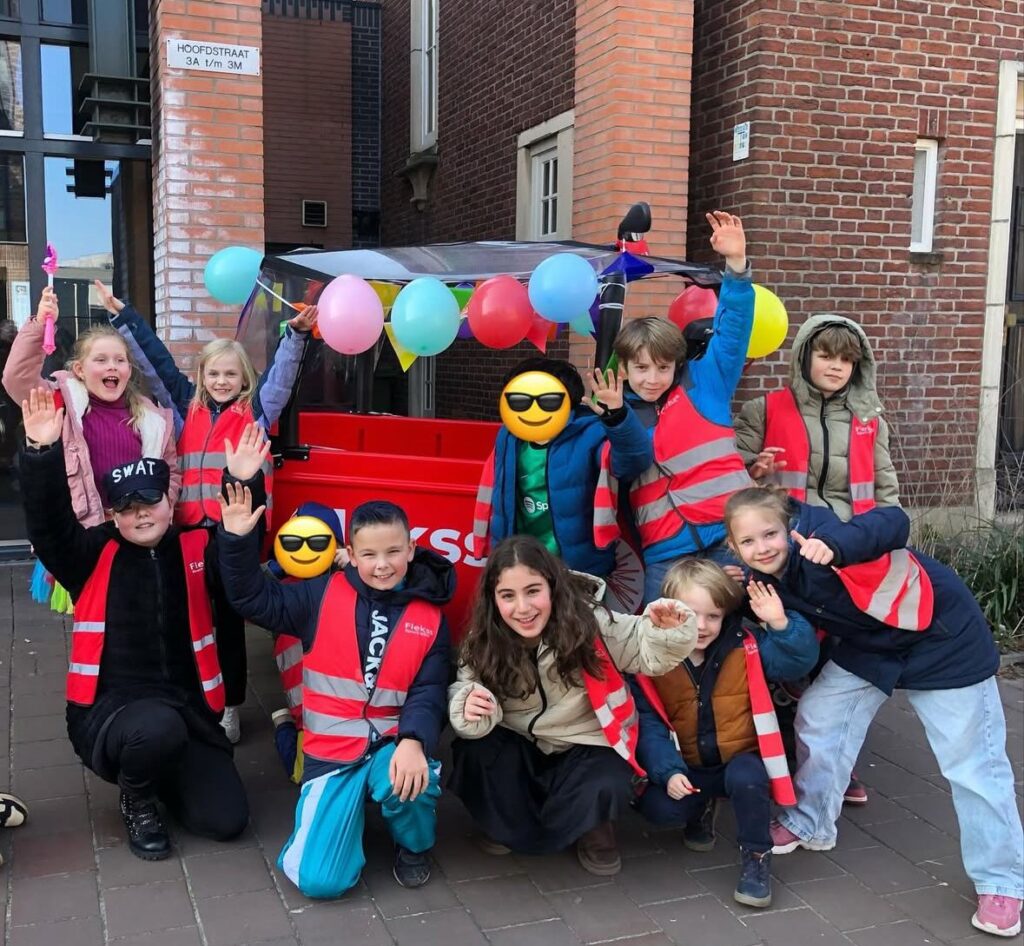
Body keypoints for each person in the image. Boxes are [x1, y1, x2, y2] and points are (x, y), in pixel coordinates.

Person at [723, 487, 1023, 938]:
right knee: (820, 716)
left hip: (942, 639)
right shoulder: (761, 576)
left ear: (789, 526)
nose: (762, 546)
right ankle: (811, 821)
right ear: (735, 546)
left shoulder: (821, 533)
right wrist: (736, 587)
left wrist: (838, 546)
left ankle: (1002, 881)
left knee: (973, 767)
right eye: (749, 542)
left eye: (770, 534)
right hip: (874, 645)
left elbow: (894, 522)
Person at [17, 389, 265, 861]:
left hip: (190, 711)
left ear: (169, 502)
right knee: (154, 730)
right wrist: (43, 453)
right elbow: (48, 526)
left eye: (150, 501)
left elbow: (239, 568)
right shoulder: (91, 553)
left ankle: (164, 773)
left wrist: (244, 482)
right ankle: (137, 796)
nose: (141, 513)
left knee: (226, 820)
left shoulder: (195, 547)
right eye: (128, 507)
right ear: (114, 513)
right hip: (113, 710)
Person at [95, 281, 314, 744]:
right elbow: (153, 360)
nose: (221, 382)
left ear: (243, 380)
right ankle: (193, 694)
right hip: (190, 533)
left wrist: (295, 336)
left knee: (229, 621)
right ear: (201, 376)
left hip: (234, 537)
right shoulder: (182, 405)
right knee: (190, 617)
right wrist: (122, 315)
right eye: (213, 374)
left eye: (230, 375)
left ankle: (230, 704)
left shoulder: (255, 412)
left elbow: (281, 379)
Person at [217, 493, 452, 898]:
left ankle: (413, 846)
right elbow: (252, 599)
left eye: (394, 551)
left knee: (417, 779)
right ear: (350, 554)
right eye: (369, 553)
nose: (382, 564)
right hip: (331, 752)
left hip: (393, 745)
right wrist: (237, 541)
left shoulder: (431, 615)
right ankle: (345, 823)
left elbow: (429, 690)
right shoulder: (317, 594)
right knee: (319, 882)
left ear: (412, 549)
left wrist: (414, 740)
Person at [447, 535, 698, 876]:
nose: (523, 608)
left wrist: (669, 629)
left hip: (586, 741)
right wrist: (467, 706)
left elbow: (643, 646)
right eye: (508, 595)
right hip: (520, 738)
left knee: (607, 778)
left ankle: (593, 832)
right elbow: (465, 686)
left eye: (533, 590)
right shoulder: (482, 639)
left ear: (552, 587)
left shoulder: (590, 621)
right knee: (474, 753)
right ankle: (505, 826)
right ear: (493, 600)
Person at [735, 315, 902, 806]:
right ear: (805, 355)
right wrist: (754, 470)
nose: (836, 366)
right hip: (782, 556)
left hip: (849, 559)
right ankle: (778, 753)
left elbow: (887, 497)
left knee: (842, 664)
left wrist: (871, 544)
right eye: (827, 354)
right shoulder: (763, 408)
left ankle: (834, 763)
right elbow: (733, 480)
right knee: (786, 655)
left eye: (847, 358)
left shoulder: (872, 420)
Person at [629, 558, 818, 907]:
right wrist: (667, 771)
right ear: (669, 610)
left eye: (713, 616)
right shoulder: (652, 660)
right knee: (659, 809)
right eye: (690, 614)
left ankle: (757, 857)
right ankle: (700, 809)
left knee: (748, 777)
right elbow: (648, 724)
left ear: (726, 614)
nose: (701, 626)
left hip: (738, 760)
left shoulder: (746, 646)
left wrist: (780, 623)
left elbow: (798, 661)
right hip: (687, 766)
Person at [598, 212, 755, 604]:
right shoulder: (617, 408)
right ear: (626, 366)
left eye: (663, 367)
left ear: (678, 364)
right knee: (660, 645)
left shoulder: (706, 384)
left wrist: (736, 268)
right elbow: (624, 466)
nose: (652, 378)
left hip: (730, 536)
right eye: (641, 368)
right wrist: (616, 416)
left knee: (742, 630)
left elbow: (733, 329)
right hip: (667, 551)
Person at [2, 289, 179, 613]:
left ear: (128, 369)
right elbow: (16, 377)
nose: (112, 366)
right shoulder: (61, 401)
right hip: (87, 534)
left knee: (139, 618)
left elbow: (170, 472)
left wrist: (160, 512)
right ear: (80, 370)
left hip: (136, 533)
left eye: (119, 360)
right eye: (101, 360)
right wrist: (40, 324)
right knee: (97, 623)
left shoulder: (152, 418)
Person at [472, 356, 652, 582]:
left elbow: (633, 462)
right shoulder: (508, 436)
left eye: (547, 400)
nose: (533, 408)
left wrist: (617, 417)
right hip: (519, 564)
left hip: (576, 569)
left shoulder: (590, 433)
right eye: (519, 400)